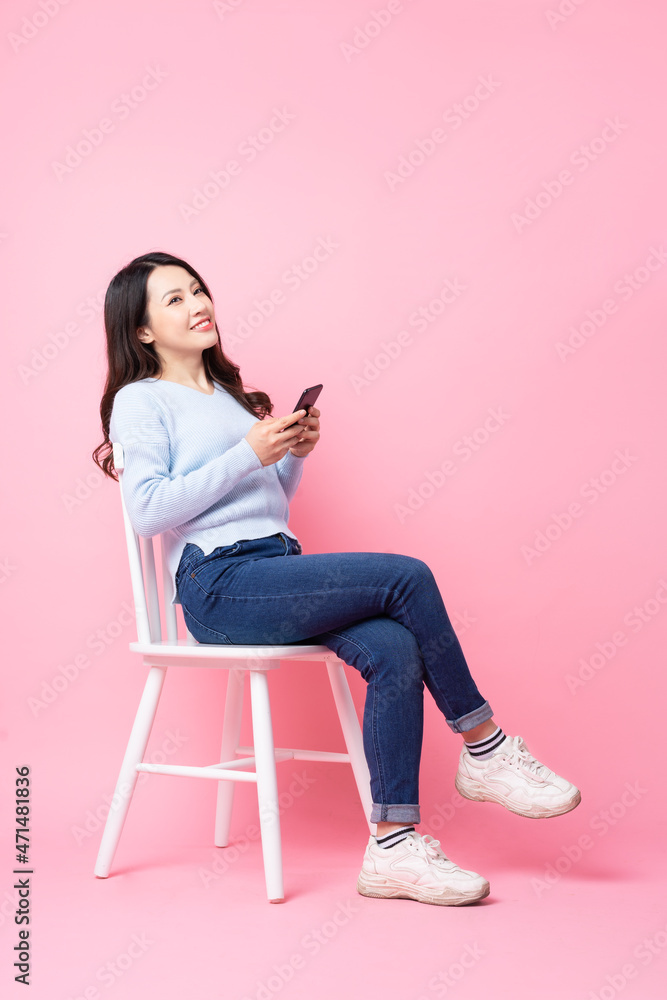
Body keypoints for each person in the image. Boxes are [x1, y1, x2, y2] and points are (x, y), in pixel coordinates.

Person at [94, 250, 581, 907]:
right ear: (143, 330)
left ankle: (393, 846)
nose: (197, 303)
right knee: (406, 578)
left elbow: (262, 504)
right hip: (218, 587)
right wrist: (247, 453)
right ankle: (484, 746)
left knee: (393, 647)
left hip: (271, 568)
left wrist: (287, 457)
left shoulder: (230, 398)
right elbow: (149, 512)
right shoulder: (141, 401)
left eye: (197, 289)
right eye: (174, 299)